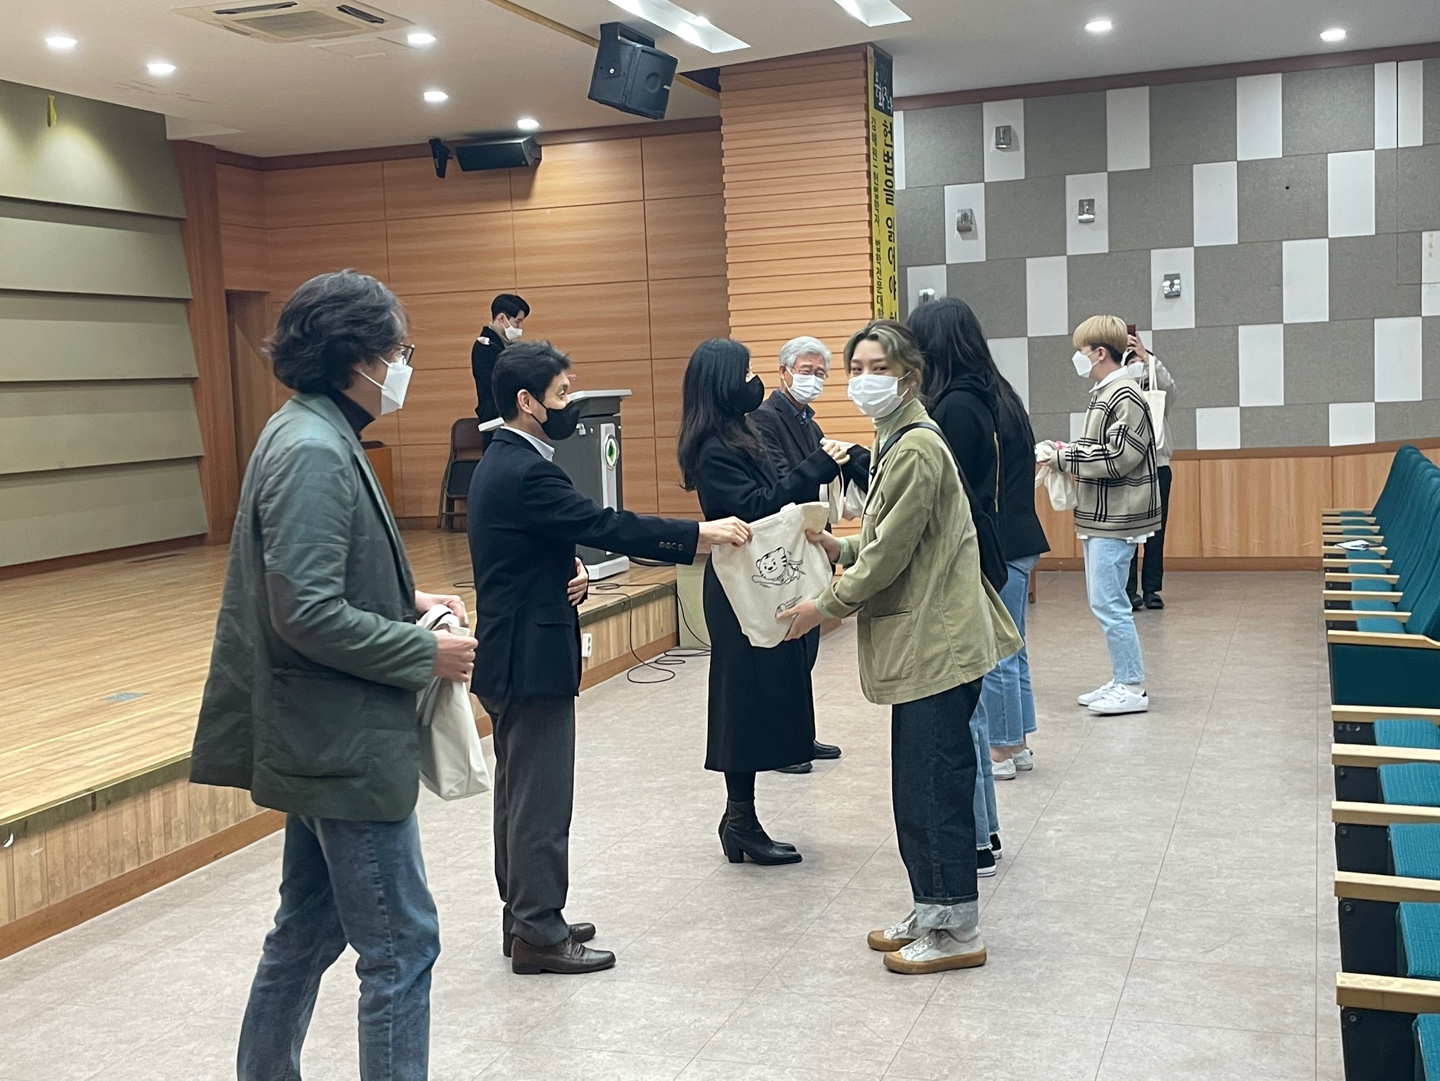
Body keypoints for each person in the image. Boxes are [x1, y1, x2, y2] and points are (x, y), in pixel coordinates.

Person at [191, 270, 479, 1081]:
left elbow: (312, 578)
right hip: (340, 743)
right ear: (357, 357)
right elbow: (307, 612)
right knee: (402, 945)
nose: (403, 366)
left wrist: (407, 598)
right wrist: (424, 651)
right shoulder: (314, 449)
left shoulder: (308, 428)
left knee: (308, 930)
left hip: (319, 734)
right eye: (398, 351)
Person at [468, 339, 750, 976]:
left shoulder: (500, 461)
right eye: (562, 393)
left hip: (511, 649)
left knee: (518, 794)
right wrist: (697, 534)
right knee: (541, 801)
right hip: (531, 656)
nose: (571, 403)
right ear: (527, 401)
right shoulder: (528, 470)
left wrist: (565, 569)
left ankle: (525, 915)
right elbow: (604, 523)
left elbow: (523, 548)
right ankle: (539, 932)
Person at [780, 321, 1021, 975]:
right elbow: (887, 533)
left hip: (937, 643)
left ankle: (957, 928)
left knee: (935, 787)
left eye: (878, 367)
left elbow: (889, 553)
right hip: (923, 642)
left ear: (910, 376)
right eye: (856, 367)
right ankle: (931, 907)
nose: (864, 379)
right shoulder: (897, 437)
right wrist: (840, 546)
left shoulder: (916, 445)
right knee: (916, 787)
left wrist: (824, 605)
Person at [676, 337, 848, 866]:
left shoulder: (741, 430)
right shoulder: (710, 446)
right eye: (745, 371)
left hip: (766, 577)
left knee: (770, 689)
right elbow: (753, 508)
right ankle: (740, 820)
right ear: (723, 382)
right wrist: (814, 469)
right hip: (737, 589)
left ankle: (740, 819)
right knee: (741, 700)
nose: (754, 380)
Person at [909, 298, 1050, 798]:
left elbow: (955, 489)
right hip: (1018, 536)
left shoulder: (956, 405)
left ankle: (1004, 747)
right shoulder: (998, 391)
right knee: (1013, 645)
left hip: (996, 544)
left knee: (995, 651)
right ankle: (1018, 740)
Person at [750, 335, 870, 774]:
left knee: (807, 646)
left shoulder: (808, 423)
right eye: (806, 370)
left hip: (810, 543)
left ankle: (801, 733)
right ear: (783, 371)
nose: (814, 379)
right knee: (784, 645)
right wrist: (826, 461)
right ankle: (781, 744)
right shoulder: (764, 419)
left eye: (821, 373)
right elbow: (783, 480)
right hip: (782, 548)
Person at [1038, 315, 1160, 716]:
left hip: (1117, 517)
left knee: (1110, 602)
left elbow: (1120, 456)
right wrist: (1068, 450)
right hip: (1102, 515)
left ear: (1100, 353)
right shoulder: (1106, 391)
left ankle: (1131, 685)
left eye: (1082, 351)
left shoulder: (1124, 394)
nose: (1078, 357)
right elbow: (1102, 447)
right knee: (1103, 601)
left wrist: (1063, 457)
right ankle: (1122, 677)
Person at [1123, 333, 1176, 611]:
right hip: (1129, 470)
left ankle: (1152, 589)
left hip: (1158, 467)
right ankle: (1129, 589)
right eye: (1130, 362)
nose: (1136, 366)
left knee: (1156, 532)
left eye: (1139, 362)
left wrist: (1148, 358)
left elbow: (1170, 387)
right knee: (1130, 532)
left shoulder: (1159, 391)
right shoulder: (1121, 391)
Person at [471, 293, 530, 443]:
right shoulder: (484, 347)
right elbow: (498, 385)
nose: (520, 328)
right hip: (496, 420)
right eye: (517, 322)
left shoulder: (509, 346)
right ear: (502, 318)